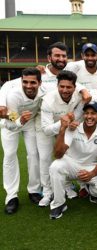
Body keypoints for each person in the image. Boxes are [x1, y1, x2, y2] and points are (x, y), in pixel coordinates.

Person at [49, 101, 97, 219]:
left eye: (93, 113)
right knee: (55, 166)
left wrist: (92, 174)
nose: (89, 116)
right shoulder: (73, 128)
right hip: (72, 165)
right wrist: (63, 129)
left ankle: (91, 191)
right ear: (83, 115)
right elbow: (58, 154)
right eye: (87, 113)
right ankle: (58, 204)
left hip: (91, 167)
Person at [2, 68, 44, 214]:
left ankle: (34, 190)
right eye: (25, 82)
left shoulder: (43, 92)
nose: (28, 86)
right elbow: (9, 120)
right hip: (10, 123)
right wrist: (19, 120)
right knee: (9, 154)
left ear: (39, 83)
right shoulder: (14, 95)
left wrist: (26, 120)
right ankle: (11, 196)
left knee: (34, 154)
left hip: (30, 123)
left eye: (33, 82)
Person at [39, 70, 83, 206]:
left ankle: (67, 186)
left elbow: (80, 110)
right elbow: (46, 130)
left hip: (66, 127)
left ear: (75, 87)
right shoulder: (48, 100)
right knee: (45, 158)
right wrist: (61, 124)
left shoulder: (78, 96)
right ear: (57, 86)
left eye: (69, 87)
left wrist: (70, 123)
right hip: (46, 128)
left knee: (66, 155)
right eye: (61, 86)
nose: (65, 90)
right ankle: (47, 193)